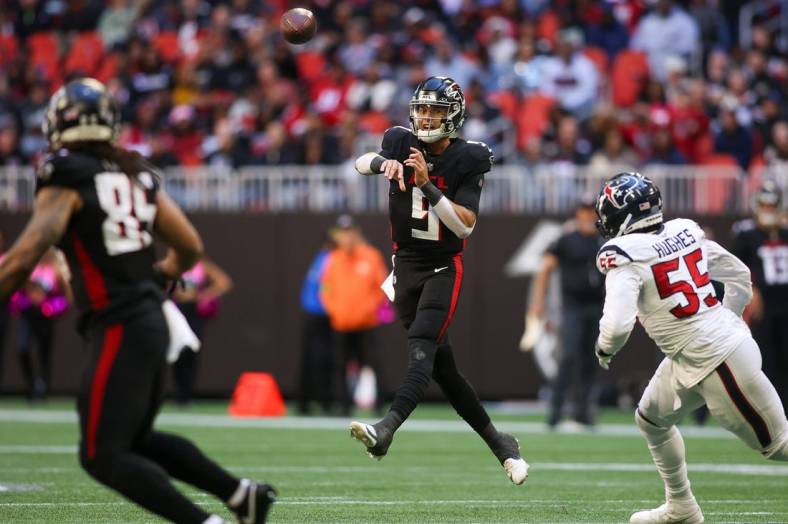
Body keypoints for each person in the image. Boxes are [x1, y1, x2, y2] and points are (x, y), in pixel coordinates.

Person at [0, 78, 275, 524]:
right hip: (150, 317)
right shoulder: (134, 171)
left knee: (99, 454)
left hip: (120, 322)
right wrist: (162, 274)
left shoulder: (65, 173)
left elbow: (23, 259)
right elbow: (188, 246)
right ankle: (241, 495)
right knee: (134, 439)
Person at [351, 76, 528, 485]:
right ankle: (503, 445)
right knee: (445, 372)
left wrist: (427, 183)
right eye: (423, 109)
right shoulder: (399, 140)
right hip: (405, 267)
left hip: (442, 267)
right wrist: (384, 163)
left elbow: (463, 227)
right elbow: (361, 162)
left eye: (436, 110)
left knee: (420, 349)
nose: (427, 117)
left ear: (454, 115)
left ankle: (386, 429)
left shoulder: (469, 158)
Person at [593, 172, 787, 524]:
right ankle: (681, 507)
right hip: (694, 354)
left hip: (715, 358)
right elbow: (740, 274)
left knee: (778, 446)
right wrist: (727, 319)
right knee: (651, 419)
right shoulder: (684, 231)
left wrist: (605, 349)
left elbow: (618, 326)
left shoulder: (625, 255)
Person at [528, 196, 605, 429]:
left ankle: (584, 413)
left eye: (592, 211)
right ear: (578, 214)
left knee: (592, 360)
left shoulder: (603, 241)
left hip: (598, 306)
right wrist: (538, 303)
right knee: (569, 356)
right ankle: (555, 412)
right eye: (584, 211)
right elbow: (545, 269)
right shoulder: (566, 240)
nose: (588, 215)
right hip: (572, 306)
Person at [320, 215, 388, 415]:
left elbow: (382, 286)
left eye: (350, 232)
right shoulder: (333, 259)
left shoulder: (371, 256)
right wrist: (334, 310)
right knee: (340, 365)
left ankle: (379, 404)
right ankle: (344, 405)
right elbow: (325, 289)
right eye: (343, 233)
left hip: (366, 322)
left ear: (357, 234)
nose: (347, 237)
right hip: (341, 323)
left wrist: (370, 308)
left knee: (374, 363)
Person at [731, 182, 788, 411]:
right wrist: (751, 289)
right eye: (763, 204)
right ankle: (767, 412)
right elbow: (733, 267)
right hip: (762, 308)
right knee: (765, 361)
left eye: (771, 205)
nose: (767, 209)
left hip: (786, 305)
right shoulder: (747, 235)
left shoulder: (785, 233)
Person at [10, 248, 71, 400]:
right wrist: (25, 301)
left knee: (44, 353)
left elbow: (66, 296)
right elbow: (18, 290)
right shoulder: (28, 266)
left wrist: (49, 306)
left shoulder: (55, 269)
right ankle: (31, 384)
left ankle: (43, 387)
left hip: (45, 317)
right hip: (29, 315)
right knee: (23, 348)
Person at [171, 257, 233, 406]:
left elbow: (224, 282)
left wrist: (205, 295)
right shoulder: (173, 264)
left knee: (192, 351)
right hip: (178, 309)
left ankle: (187, 394)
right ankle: (178, 392)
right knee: (177, 351)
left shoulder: (202, 266)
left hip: (194, 311)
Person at [297, 234, 335, 415]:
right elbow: (325, 289)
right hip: (322, 314)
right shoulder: (330, 260)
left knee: (309, 359)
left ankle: (304, 402)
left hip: (311, 312)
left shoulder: (319, 258)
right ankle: (324, 401)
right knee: (323, 359)